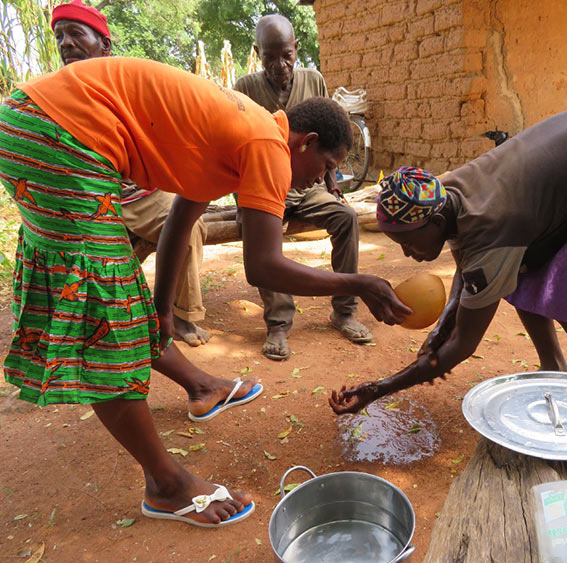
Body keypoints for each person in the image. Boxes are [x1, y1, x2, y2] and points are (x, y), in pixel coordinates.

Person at [0, 57, 408, 526]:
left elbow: (179, 219)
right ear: (306, 142)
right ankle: (166, 486)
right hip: (60, 134)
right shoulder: (266, 144)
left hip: (37, 123)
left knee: (118, 305)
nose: (328, 180)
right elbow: (264, 266)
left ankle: (199, 391)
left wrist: (161, 310)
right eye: (328, 166)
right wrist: (360, 281)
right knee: (104, 315)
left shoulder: (241, 133)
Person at [330, 101, 567, 440]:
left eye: (410, 242)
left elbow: (463, 344)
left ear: (437, 218)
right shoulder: (444, 191)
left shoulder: (493, 228)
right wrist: (443, 325)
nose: (408, 255)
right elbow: (469, 264)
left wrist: (379, 389)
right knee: (519, 270)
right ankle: (554, 365)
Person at [52, 0, 211, 347]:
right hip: (88, 199)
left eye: (76, 33)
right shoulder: (53, 93)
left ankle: (179, 314)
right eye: (60, 35)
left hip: (141, 194)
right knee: (65, 248)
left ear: (104, 45)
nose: (66, 43)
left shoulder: (132, 83)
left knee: (188, 225)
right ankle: (86, 323)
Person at [234, 14, 372, 360]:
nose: (280, 65)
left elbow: (327, 138)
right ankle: (279, 322)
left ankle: (344, 311)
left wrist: (330, 182)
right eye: (270, 57)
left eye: (287, 55)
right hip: (265, 188)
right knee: (261, 241)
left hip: (307, 186)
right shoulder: (245, 88)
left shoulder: (314, 79)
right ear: (257, 53)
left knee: (346, 218)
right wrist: (244, 202)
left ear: (297, 49)